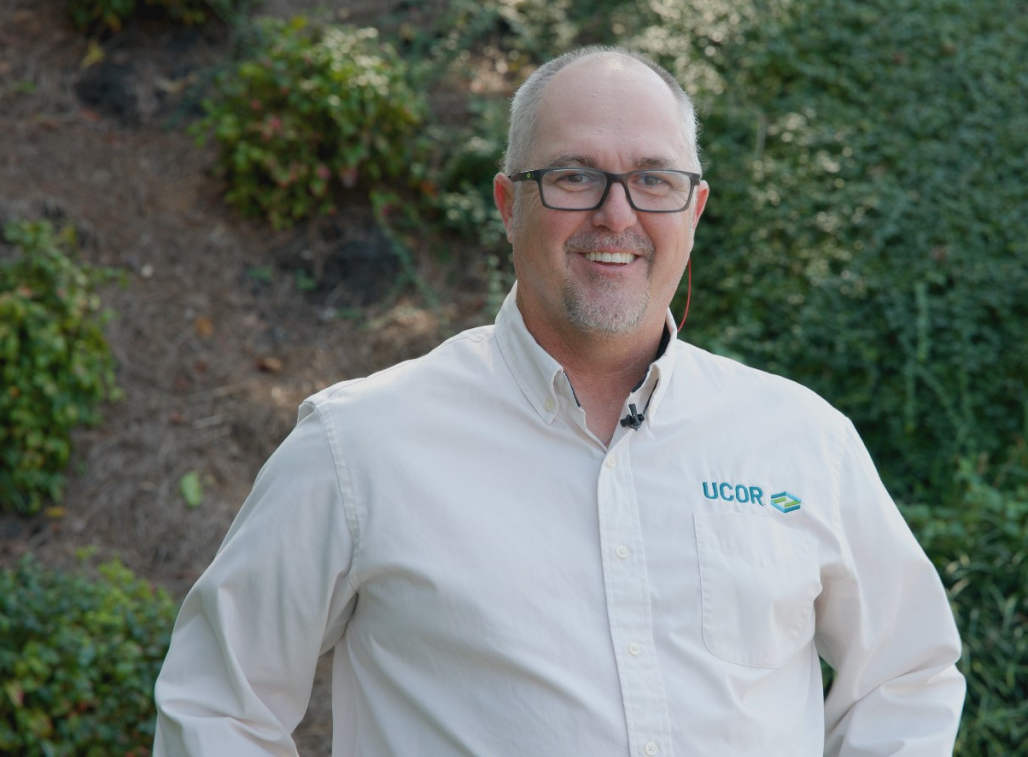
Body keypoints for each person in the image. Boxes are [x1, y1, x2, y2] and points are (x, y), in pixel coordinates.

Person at [153, 46, 965, 756]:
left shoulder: (799, 439)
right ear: (509, 205)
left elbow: (905, 672)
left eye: (654, 179)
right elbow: (219, 703)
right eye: (576, 176)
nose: (618, 215)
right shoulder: (359, 445)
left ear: (694, 209)